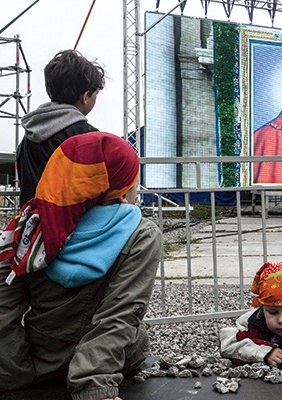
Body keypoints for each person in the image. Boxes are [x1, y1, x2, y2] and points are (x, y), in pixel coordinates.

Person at [0, 132, 161, 400]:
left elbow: (4, 308)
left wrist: (14, 370)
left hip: (41, 361)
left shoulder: (30, 226)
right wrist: (95, 386)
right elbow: (119, 314)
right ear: (122, 191)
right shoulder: (140, 234)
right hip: (116, 364)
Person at [17, 49, 105, 207]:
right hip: (72, 228)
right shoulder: (88, 137)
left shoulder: (30, 133)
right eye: (95, 94)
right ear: (85, 97)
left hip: (30, 225)